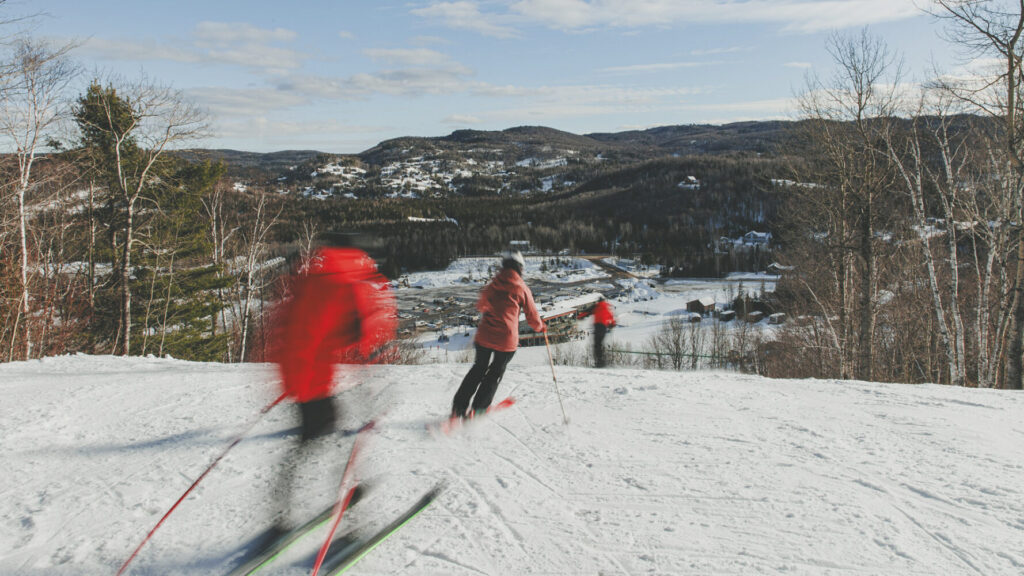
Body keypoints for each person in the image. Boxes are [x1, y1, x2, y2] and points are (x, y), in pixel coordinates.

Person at [266, 232, 396, 537]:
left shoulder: (318, 278)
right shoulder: (343, 282)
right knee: (334, 440)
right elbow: (355, 329)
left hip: (301, 375)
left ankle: (281, 514)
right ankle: (347, 523)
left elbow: (315, 328)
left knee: (312, 440)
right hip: (310, 378)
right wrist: (370, 345)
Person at [451, 250, 545, 419]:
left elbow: (481, 305)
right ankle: (478, 409)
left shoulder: (493, 284)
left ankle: (458, 408)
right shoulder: (522, 287)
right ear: (520, 268)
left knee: (478, 369)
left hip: (485, 335)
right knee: (495, 372)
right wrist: (541, 328)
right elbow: (532, 317)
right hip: (506, 340)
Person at [580, 296, 616, 368]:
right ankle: (602, 361)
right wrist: (612, 324)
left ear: (598, 301)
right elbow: (611, 317)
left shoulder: (596, 306)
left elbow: (587, 312)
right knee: (600, 344)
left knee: (597, 345)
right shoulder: (607, 307)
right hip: (603, 328)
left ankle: (599, 363)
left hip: (597, 327)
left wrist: (580, 316)